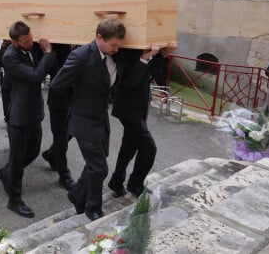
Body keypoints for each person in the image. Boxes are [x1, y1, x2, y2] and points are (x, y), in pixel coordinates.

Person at [50, 18, 126, 221]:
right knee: (99, 167)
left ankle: (77, 195)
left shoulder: (114, 55)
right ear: (99, 37)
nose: (117, 49)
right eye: (113, 45)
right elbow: (57, 84)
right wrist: (77, 104)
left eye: (119, 45)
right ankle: (93, 208)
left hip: (101, 118)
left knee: (97, 162)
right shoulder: (81, 56)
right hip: (83, 120)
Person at [0, 21, 56, 218]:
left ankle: (7, 172)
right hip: (20, 116)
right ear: (14, 42)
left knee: (34, 150)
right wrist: (47, 53)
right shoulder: (10, 57)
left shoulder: (29, 48)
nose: (31, 43)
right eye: (26, 42)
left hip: (34, 112)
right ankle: (14, 200)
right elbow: (36, 75)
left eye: (31, 39)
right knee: (18, 156)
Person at [107, 41, 176, 201]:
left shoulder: (147, 48)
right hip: (128, 108)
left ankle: (116, 181)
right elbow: (130, 81)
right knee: (149, 148)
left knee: (129, 146)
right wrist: (145, 58)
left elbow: (157, 76)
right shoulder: (124, 50)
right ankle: (135, 184)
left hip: (141, 106)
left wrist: (163, 55)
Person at [41, 43, 76, 191]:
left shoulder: (85, 44)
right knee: (61, 138)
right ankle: (64, 175)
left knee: (72, 131)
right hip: (60, 99)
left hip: (78, 99)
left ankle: (51, 153)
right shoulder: (59, 45)